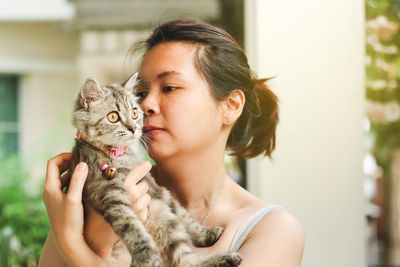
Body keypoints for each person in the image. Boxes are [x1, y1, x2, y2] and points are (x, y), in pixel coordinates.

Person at [39, 19, 304, 267]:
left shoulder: (273, 230)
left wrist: (75, 246)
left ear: (231, 106)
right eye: (141, 93)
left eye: (169, 88)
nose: (145, 106)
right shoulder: (81, 204)